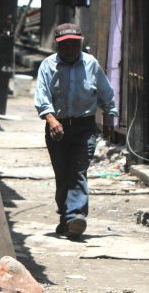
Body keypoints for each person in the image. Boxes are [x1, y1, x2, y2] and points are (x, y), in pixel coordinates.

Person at [34, 23, 118, 240]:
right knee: (63, 174)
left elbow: (106, 94)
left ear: (80, 43)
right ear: (57, 45)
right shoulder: (48, 66)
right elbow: (42, 98)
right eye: (65, 45)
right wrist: (52, 120)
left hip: (84, 127)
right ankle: (66, 219)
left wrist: (109, 118)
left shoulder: (91, 64)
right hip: (57, 127)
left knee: (78, 171)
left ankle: (76, 215)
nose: (70, 49)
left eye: (74, 44)